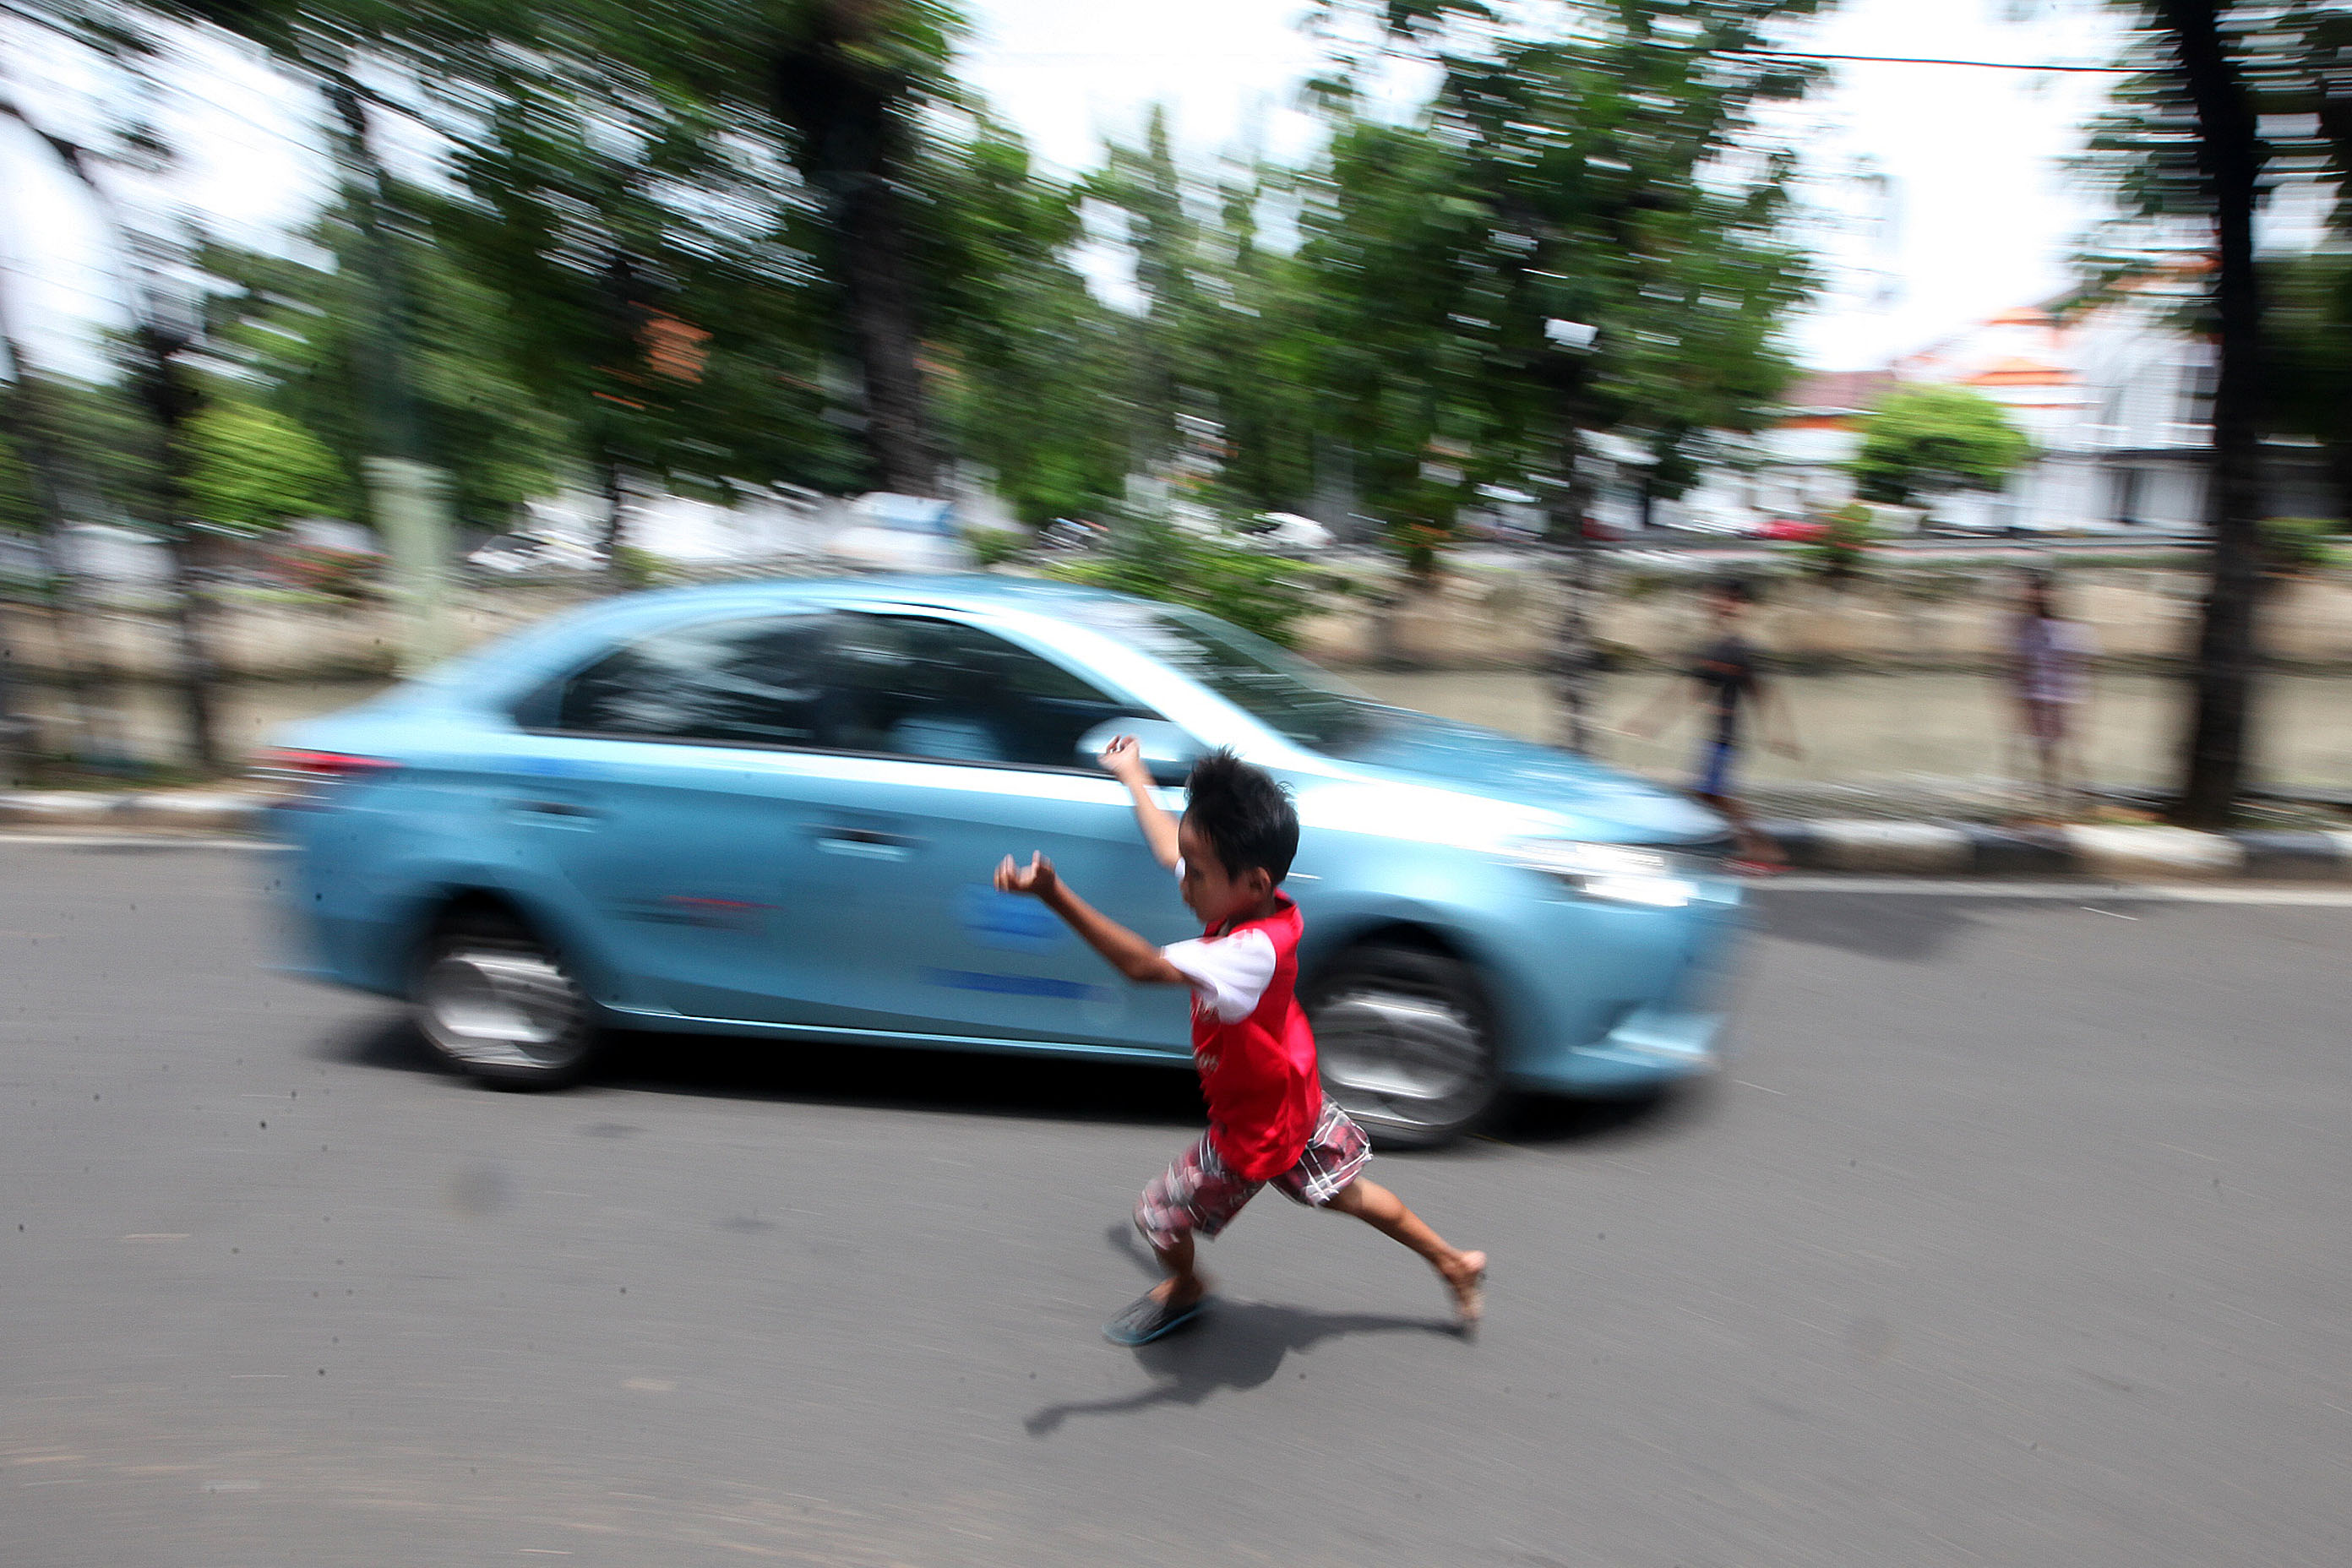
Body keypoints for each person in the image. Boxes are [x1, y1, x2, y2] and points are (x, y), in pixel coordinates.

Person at [994, 738, 1488, 1345]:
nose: (1184, 884)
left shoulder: (1247, 953)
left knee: (1156, 1217)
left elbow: (1143, 968)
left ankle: (1186, 1286)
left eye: (1195, 873)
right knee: (1351, 1196)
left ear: (1252, 883)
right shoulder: (1251, 902)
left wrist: (1053, 895)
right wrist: (1134, 773)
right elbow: (1164, 842)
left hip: (1251, 1130)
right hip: (1293, 1101)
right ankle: (1453, 1261)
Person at [1620, 577, 1799, 871]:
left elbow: (1760, 692)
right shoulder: (1714, 647)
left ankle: (1765, 851)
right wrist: (1651, 722)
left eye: (1723, 598)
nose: (1714, 604)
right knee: (1709, 794)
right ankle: (1752, 850)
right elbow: (1690, 691)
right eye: (1713, 598)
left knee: (1717, 796)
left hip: (1726, 738)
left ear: (1739, 605)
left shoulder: (1739, 649)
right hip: (1715, 735)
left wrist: (1778, 733)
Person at [2006, 570, 2094, 823]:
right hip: (2036, 696)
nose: (2034, 597)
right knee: (2044, 751)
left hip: (2059, 697)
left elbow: (2079, 664)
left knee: (2069, 748)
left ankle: (2082, 797)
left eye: (2039, 590)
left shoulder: (2065, 628)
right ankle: (2052, 801)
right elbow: (2019, 665)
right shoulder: (2024, 628)